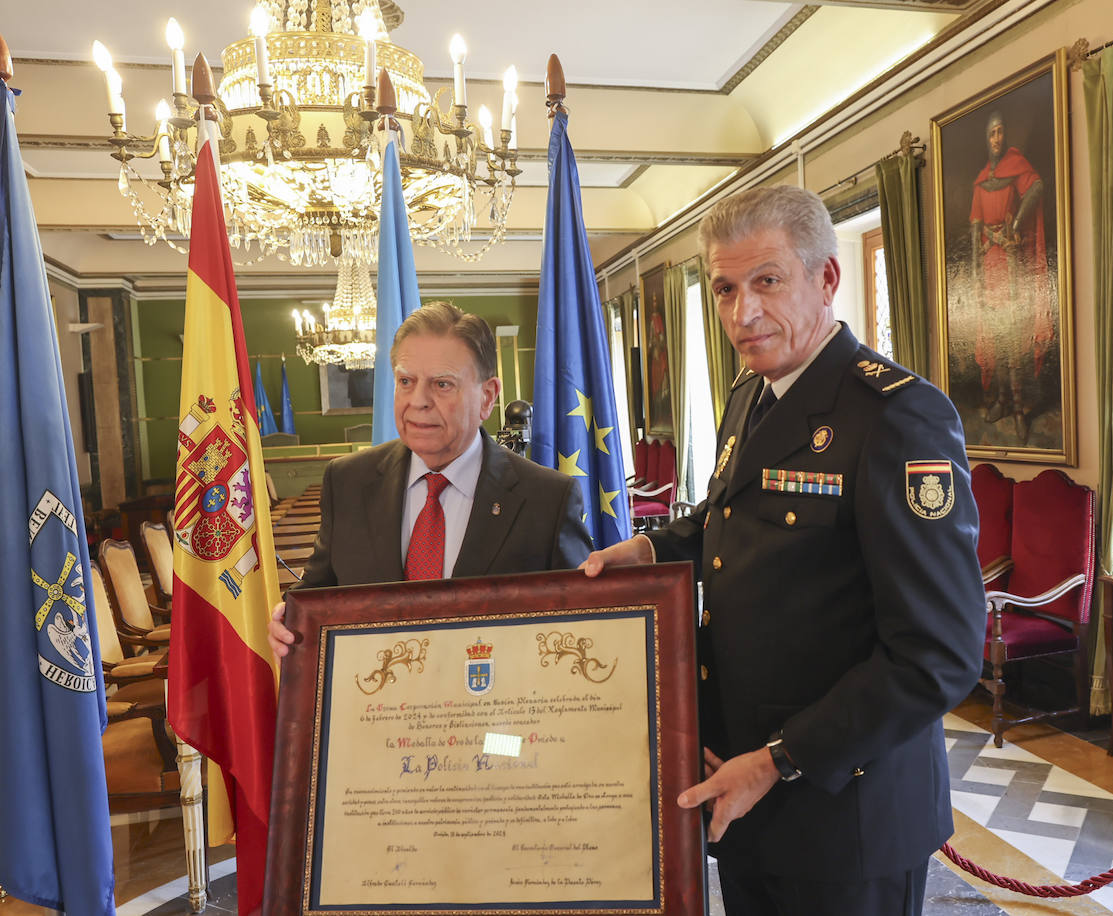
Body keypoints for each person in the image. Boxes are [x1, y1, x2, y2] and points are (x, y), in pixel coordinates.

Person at [583, 185, 985, 915]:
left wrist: (781, 761)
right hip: (742, 785)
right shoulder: (752, 392)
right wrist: (648, 549)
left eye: (767, 281)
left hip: (844, 808)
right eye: (726, 289)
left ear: (826, 278)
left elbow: (941, 654)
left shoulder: (897, 417)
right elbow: (731, 513)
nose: (744, 314)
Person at [269, 303, 592, 654]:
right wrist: (289, 622)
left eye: (442, 384)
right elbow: (318, 595)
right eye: (406, 382)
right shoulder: (347, 482)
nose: (418, 401)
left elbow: (580, 632)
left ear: (487, 397)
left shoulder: (548, 500)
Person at [968, 109, 1054, 443]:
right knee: (994, 334)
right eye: (992, 134)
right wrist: (975, 274)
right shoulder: (979, 181)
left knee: (1013, 333)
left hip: (1011, 260)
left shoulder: (1016, 163)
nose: (997, 139)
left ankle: (1018, 408)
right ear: (986, 139)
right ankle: (1002, 400)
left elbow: (1036, 188)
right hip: (989, 263)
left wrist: (1015, 226)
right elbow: (976, 226)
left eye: (1001, 132)